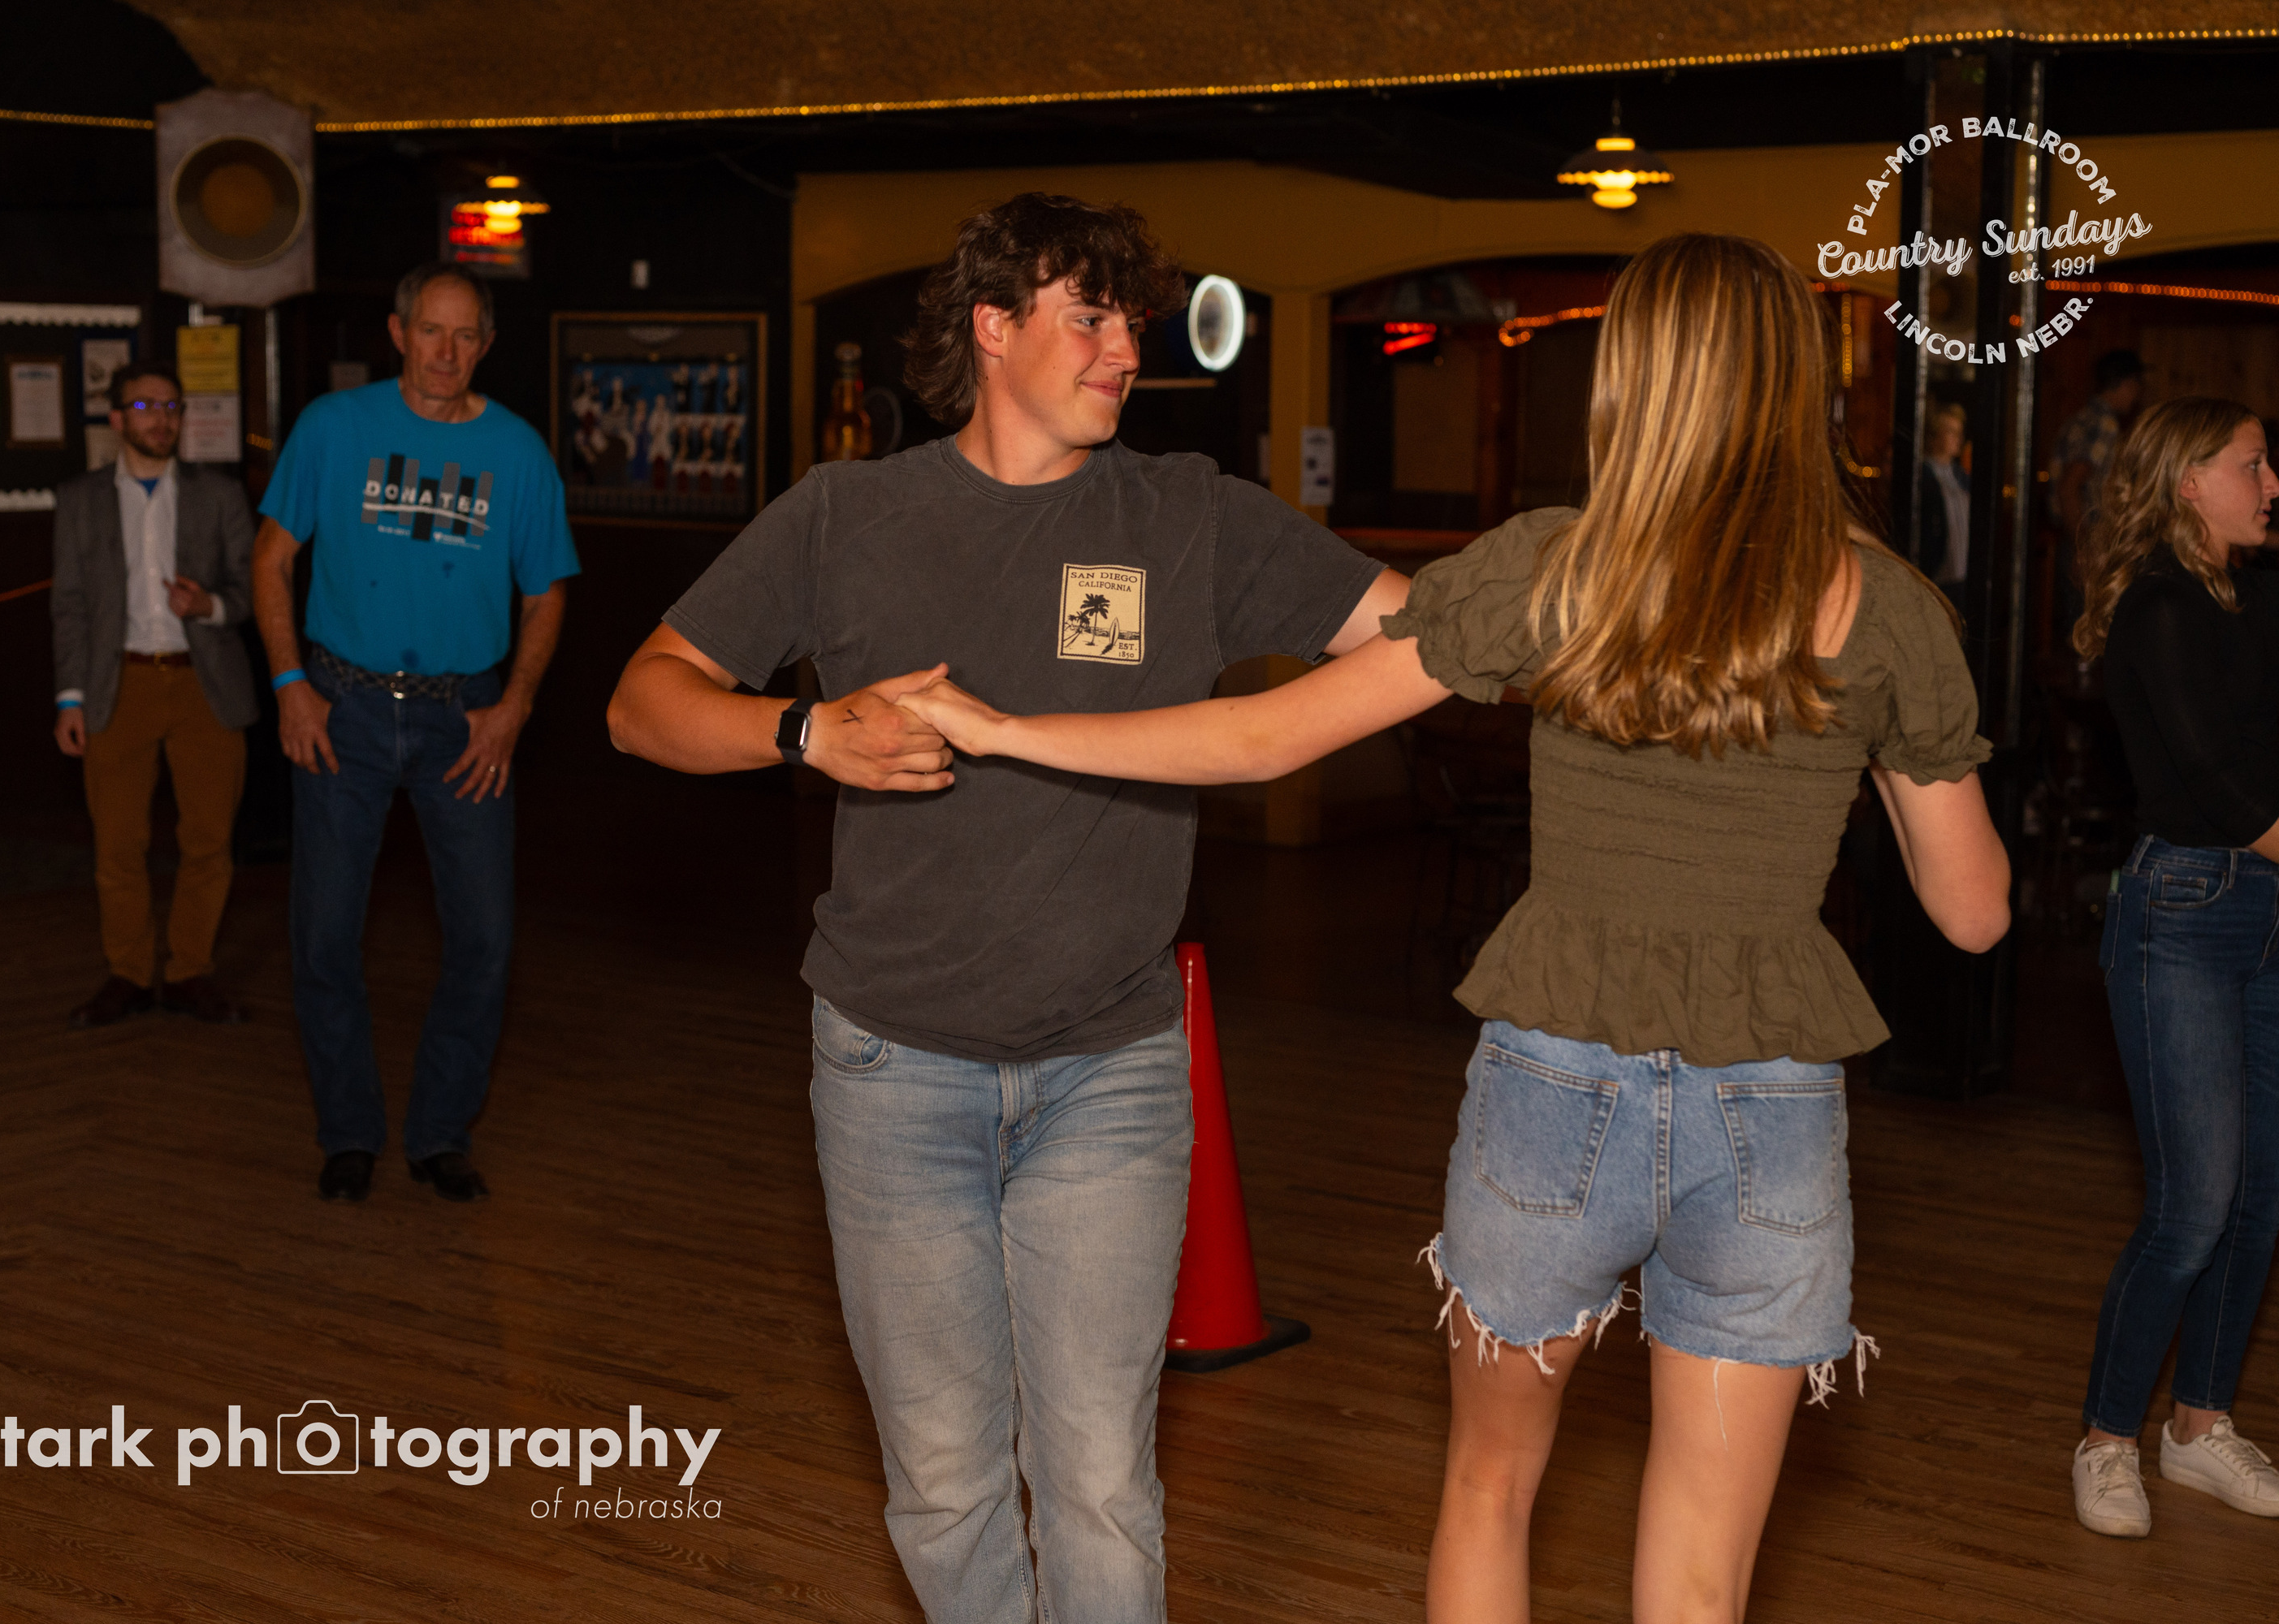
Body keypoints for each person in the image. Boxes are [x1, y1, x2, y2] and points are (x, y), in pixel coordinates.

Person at [894, 233, 2012, 1624]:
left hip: (1555, 1084)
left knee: (1490, 1489)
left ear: (1632, 376)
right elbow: (1975, 915)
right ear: (1803, 389)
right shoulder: (1892, 612)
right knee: (1704, 1578)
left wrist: (1009, 727)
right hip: (1769, 1106)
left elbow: (1261, 738)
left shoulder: (1547, 569)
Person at [605, 192, 1405, 1623]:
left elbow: (1415, 631)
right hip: (891, 1071)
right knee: (943, 1481)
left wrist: (1573, 607)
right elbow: (641, 704)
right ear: (992, 325)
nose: (1125, 352)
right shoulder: (848, 514)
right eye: (1090, 319)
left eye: (1132, 324)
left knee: (1098, 1480)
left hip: (1112, 1072)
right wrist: (808, 732)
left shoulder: (1188, 515)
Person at [252, 262, 581, 1204]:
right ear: (398, 333)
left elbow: (546, 593)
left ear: (486, 343)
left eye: (465, 334)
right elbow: (271, 560)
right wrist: (290, 686)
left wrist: (514, 707)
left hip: (464, 719)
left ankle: (440, 1132)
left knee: (484, 937)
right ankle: (348, 1130)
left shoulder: (517, 452)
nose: (446, 350)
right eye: (430, 330)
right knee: (323, 935)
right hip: (340, 709)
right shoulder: (333, 426)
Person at [2068, 397, 2279, 1537]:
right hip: (2185, 911)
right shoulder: (2157, 606)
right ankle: (2106, 1439)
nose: (2273, 484)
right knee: (2194, 1206)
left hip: (2272, 912)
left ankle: (2198, 1428)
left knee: (2262, 1196)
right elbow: (2220, 787)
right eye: (2254, 464)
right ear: (2189, 481)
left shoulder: (2260, 593)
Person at [50, 359, 258, 1028]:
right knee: (118, 845)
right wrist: (70, 699)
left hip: (205, 685)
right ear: (116, 419)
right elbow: (70, 606)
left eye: (171, 407)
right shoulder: (79, 499)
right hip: (119, 685)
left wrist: (208, 607)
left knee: (209, 841)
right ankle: (129, 974)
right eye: (145, 407)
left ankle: (190, 972)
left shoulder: (219, 495)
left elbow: (253, 592)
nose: (161, 419)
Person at [2051, 349, 2147, 645]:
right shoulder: (2105, 424)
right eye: (2137, 385)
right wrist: (2083, 548)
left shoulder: (2080, 418)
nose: (2137, 395)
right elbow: (2070, 486)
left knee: (2077, 627)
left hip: (2072, 533)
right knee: (2089, 632)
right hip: (2087, 535)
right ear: (2125, 383)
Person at [1916, 401, 1973, 614]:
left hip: (1963, 575)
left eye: (1959, 432)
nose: (1958, 438)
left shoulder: (1961, 476)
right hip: (1937, 575)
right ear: (1935, 435)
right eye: (1950, 431)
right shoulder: (1924, 475)